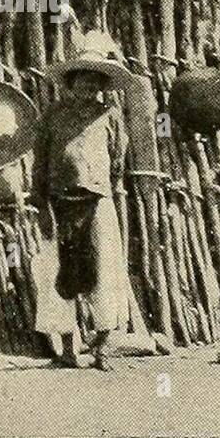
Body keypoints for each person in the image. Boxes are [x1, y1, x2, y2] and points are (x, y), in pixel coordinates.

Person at [32, 31, 135, 370]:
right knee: (59, 274)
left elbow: (117, 159)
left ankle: (102, 346)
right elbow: (41, 162)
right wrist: (41, 205)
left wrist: (101, 185)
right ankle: (66, 349)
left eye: (95, 84)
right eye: (82, 82)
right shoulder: (52, 117)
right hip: (59, 203)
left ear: (102, 87)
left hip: (97, 200)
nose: (88, 89)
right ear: (71, 83)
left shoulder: (110, 116)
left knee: (104, 271)